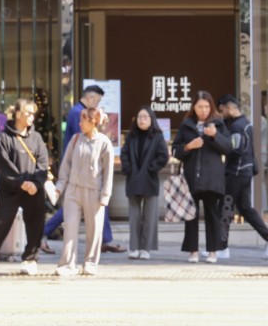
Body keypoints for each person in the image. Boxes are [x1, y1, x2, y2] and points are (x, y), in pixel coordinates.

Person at [41, 84, 124, 254]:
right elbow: (80, 139)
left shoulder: (81, 116)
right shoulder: (78, 113)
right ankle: (46, 230)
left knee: (91, 204)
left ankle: (105, 239)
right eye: (98, 101)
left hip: (86, 172)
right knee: (74, 207)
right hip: (79, 170)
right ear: (91, 98)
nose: (98, 105)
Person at [0, 98, 50, 276]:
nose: (31, 116)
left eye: (33, 113)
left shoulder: (37, 137)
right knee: (0, 222)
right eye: (27, 113)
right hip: (10, 188)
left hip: (33, 189)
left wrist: (36, 183)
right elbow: (4, 166)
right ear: (17, 114)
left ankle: (30, 259)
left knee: (35, 223)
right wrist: (21, 182)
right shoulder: (4, 138)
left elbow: (43, 163)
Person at [216, 94, 268, 260]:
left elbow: (235, 149)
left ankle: (222, 248)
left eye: (222, 111)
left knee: (225, 208)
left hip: (236, 172)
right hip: (245, 172)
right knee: (245, 209)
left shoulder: (237, 127)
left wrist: (219, 139)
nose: (222, 114)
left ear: (230, 108)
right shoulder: (246, 124)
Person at [172, 90, 231, 264]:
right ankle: (193, 251)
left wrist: (215, 136)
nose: (203, 110)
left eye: (206, 106)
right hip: (191, 178)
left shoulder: (218, 124)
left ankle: (213, 251)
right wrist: (189, 146)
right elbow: (176, 150)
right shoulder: (186, 125)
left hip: (212, 178)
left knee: (212, 215)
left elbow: (228, 147)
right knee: (191, 216)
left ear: (211, 107)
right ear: (194, 107)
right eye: (200, 107)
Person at [54, 106, 114, 276]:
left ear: (93, 121)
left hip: (94, 191)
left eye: (83, 120)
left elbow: (108, 172)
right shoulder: (75, 139)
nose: (80, 123)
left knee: (94, 230)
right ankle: (67, 264)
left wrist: (105, 195)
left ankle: (90, 263)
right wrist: (60, 188)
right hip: (73, 190)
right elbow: (65, 166)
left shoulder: (104, 143)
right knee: (70, 228)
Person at [120, 106, 169, 260]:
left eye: (145, 117)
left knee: (150, 216)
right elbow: (125, 153)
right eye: (140, 117)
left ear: (151, 119)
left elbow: (163, 156)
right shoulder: (131, 136)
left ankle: (146, 248)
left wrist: (151, 168)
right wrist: (128, 169)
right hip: (133, 179)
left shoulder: (157, 136)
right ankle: (134, 247)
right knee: (134, 216)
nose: (142, 120)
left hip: (149, 179)